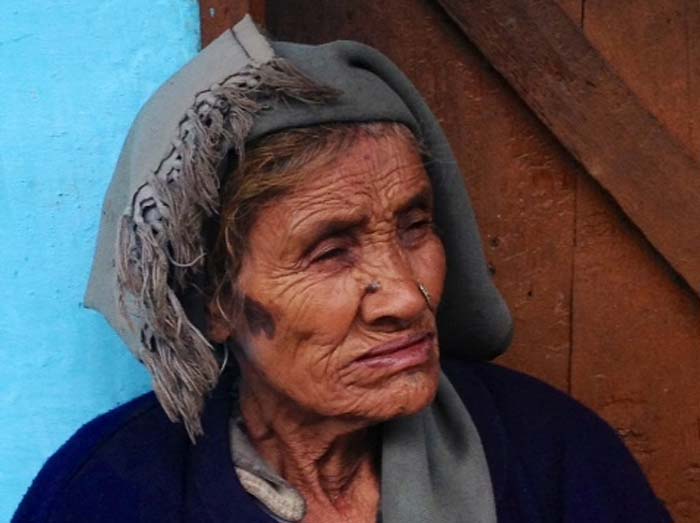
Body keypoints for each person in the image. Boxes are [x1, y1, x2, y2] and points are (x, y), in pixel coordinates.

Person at [13, 15, 671, 523]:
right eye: (332, 250)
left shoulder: (553, 459)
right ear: (215, 299)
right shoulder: (109, 492)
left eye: (415, 227)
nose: (408, 298)